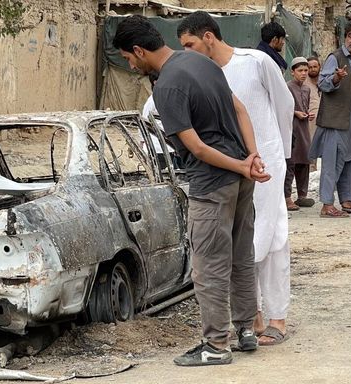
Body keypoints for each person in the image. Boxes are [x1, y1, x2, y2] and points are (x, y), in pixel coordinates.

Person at [113, 15, 270, 366]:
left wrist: (242, 164)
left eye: (127, 58)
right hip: (241, 178)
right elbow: (240, 109)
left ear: (138, 50)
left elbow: (196, 148)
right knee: (240, 256)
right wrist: (251, 156)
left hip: (214, 184)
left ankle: (216, 345)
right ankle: (246, 330)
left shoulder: (167, 86)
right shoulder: (201, 61)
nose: (130, 64)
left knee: (208, 267)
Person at [176, 11, 294, 347]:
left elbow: (284, 106)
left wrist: (278, 156)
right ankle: (249, 318)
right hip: (228, 170)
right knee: (238, 244)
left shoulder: (255, 61)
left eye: (190, 44)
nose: (186, 52)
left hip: (266, 162)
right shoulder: (196, 74)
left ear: (208, 37)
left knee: (273, 239)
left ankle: (277, 318)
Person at [310, 20, 351, 215]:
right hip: (337, 120)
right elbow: (323, 83)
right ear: (344, 37)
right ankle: (327, 205)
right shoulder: (335, 58)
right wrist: (336, 78)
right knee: (333, 161)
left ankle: (348, 200)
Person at [286, 57, 315, 211]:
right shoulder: (287, 87)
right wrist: (295, 112)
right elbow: (282, 108)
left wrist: (307, 114)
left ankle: (302, 196)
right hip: (291, 128)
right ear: (292, 72)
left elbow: (305, 106)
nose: (304, 73)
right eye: (300, 71)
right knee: (291, 162)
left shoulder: (307, 89)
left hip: (303, 127)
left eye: (306, 70)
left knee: (304, 161)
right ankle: (287, 197)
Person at [305, 57, 322, 140]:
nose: (313, 69)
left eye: (315, 67)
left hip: (325, 122)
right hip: (310, 123)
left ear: (319, 67)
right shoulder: (303, 85)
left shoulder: (325, 82)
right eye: (310, 67)